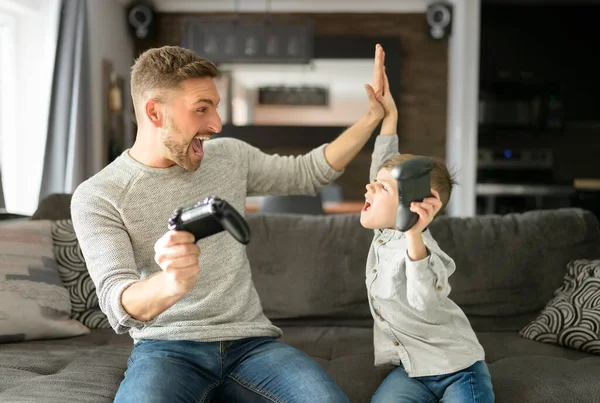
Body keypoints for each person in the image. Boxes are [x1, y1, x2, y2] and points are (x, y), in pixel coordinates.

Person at [71, 44, 387, 403]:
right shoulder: (99, 196)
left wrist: (371, 118)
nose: (216, 124)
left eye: (215, 107)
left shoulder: (229, 156)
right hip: (167, 349)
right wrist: (171, 283)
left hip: (250, 345)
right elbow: (117, 300)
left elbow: (308, 172)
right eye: (201, 109)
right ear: (154, 112)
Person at [361, 55, 495, 403]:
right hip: (411, 371)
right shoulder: (383, 232)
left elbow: (425, 302)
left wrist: (415, 234)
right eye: (374, 184)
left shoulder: (422, 249)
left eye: (382, 188)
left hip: (458, 367)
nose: (369, 188)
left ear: (411, 206)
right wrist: (389, 116)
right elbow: (384, 166)